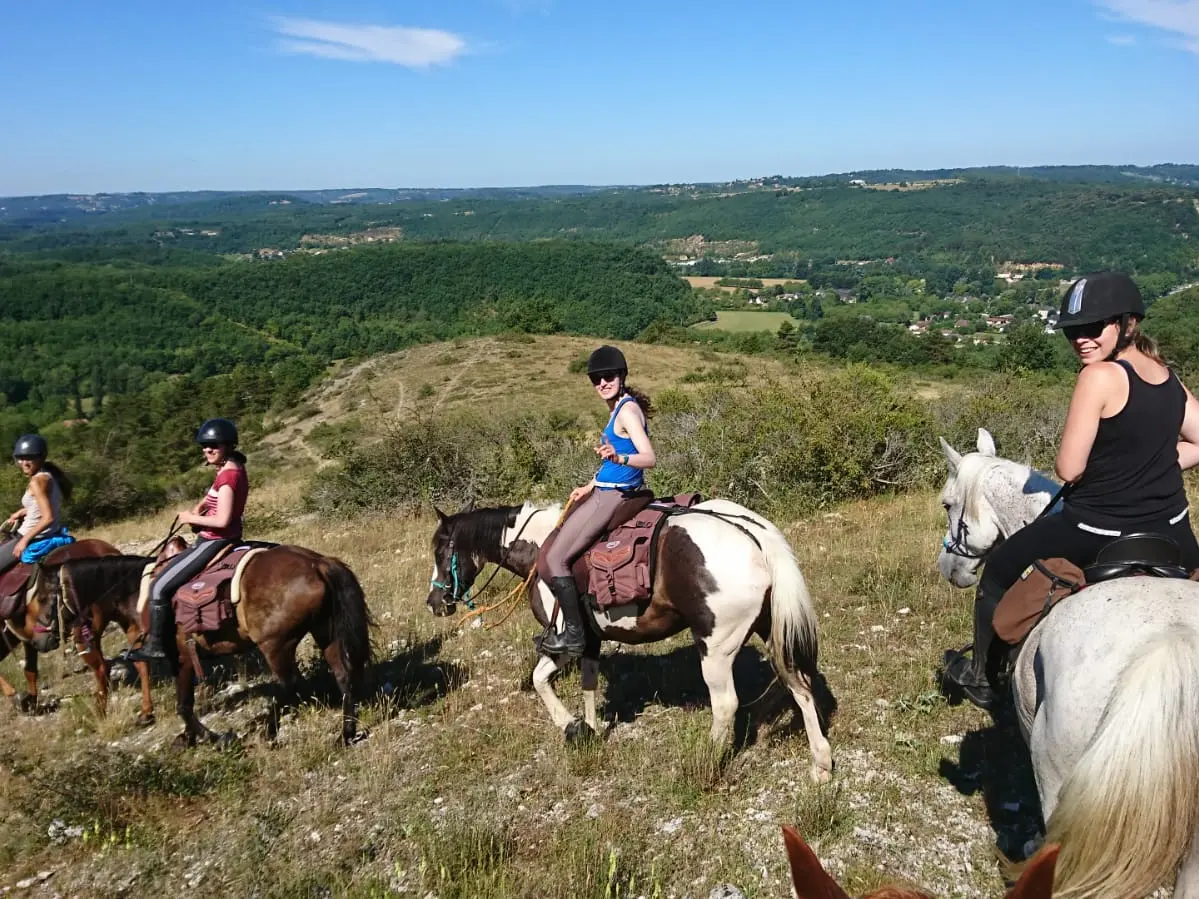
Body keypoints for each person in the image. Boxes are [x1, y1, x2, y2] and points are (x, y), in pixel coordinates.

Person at [943, 271, 1199, 710]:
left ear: (1127, 324)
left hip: (1095, 527)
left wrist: (1116, 469)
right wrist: (1152, 464)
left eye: (1093, 328)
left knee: (1000, 569)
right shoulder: (1168, 377)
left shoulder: (1098, 377)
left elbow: (1068, 468)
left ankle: (982, 677)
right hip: (1173, 532)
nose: (1081, 339)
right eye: (1073, 331)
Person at [537, 345, 657, 657]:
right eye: (596, 379)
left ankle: (575, 636)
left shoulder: (628, 412)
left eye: (608, 376)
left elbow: (649, 458)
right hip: (603, 490)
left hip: (614, 496)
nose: (602, 383)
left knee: (556, 559)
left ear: (621, 376)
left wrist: (620, 455)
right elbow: (611, 463)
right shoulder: (617, 409)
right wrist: (590, 484)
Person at [125, 418, 249, 661]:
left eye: (214, 445)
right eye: (204, 445)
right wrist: (199, 509)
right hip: (221, 537)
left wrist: (189, 517)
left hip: (215, 540)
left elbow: (223, 520)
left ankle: (157, 645)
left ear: (228, 445)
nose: (207, 449)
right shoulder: (228, 469)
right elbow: (213, 497)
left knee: (159, 586)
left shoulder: (228, 476)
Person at [0, 434, 72, 574]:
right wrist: (22, 511)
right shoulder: (49, 475)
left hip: (31, 535)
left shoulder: (37, 482)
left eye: (30, 458)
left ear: (41, 457)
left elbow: (48, 517)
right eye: (20, 458)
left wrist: (24, 541)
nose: (24, 463)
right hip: (50, 532)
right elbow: (42, 505)